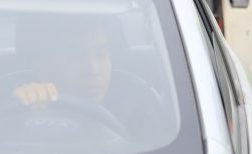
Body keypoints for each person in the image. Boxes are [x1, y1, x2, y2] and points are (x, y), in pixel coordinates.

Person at [10, 16, 164, 140]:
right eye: (76, 56)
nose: (93, 69)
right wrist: (24, 107)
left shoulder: (139, 106)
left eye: (101, 54)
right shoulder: (17, 106)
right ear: (43, 65)